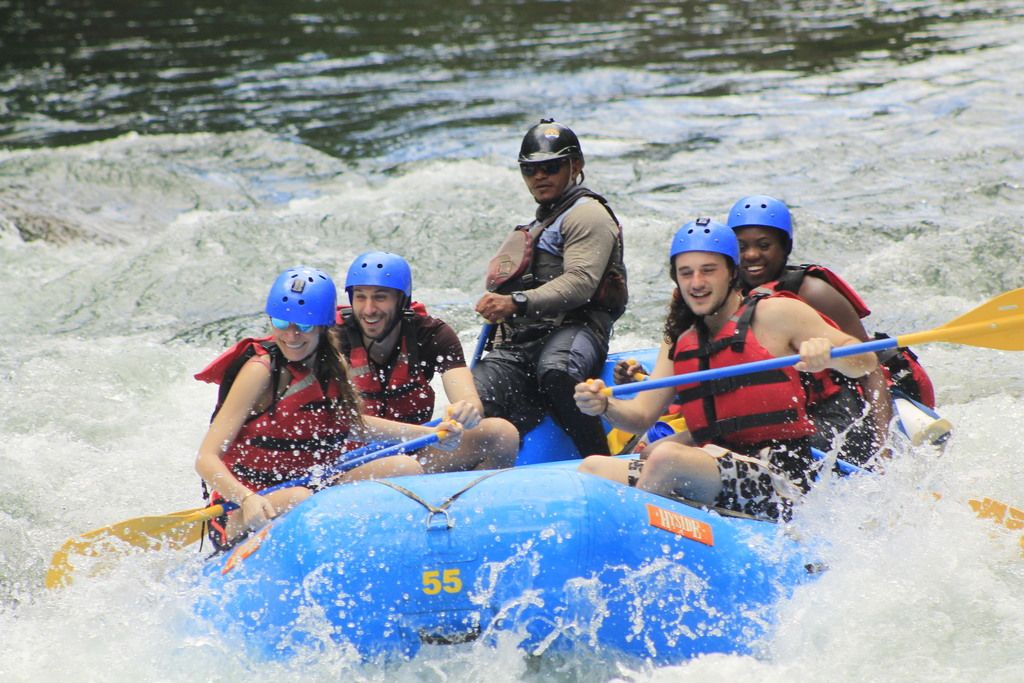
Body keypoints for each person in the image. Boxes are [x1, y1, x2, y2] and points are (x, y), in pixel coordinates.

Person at [575, 218, 878, 521]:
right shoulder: (682, 340)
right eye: (686, 273)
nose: (696, 283)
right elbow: (640, 415)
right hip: (711, 464)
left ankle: (637, 533)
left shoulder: (777, 313)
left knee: (666, 458)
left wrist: (828, 355)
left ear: (732, 272)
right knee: (594, 468)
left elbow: (865, 361)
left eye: (708, 270)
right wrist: (604, 405)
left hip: (780, 478)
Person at [195, 266, 463, 551]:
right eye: (281, 322)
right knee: (295, 498)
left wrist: (428, 433)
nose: (291, 335)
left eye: (305, 326)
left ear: (324, 326)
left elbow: (354, 426)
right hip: (247, 502)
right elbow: (206, 458)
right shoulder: (260, 371)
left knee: (404, 467)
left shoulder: (333, 365)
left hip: (313, 483)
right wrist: (246, 499)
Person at [726, 195, 945, 449]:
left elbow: (871, 369)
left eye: (764, 245)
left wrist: (882, 449)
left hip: (843, 400)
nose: (752, 255)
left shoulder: (814, 292)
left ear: (785, 247)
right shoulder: (724, 295)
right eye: (742, 247)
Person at [473, 119, 628, 457]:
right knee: (477, 388)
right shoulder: (539, 223)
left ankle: (599, 459)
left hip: (580, 328)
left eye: (551, 166)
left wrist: (515, 302)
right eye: (530, 170)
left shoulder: (588, 215)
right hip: (526, 339)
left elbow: (581, 283)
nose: (539, 176)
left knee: (556, 370)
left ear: (576, 166)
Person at [334, 251, 519, 472]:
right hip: (349, 462)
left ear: (402, 300)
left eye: (380, 297)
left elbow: (468, 399)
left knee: (500, 433)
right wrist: (426, 434)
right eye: (360, 297)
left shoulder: (431, 335)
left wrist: (467, 411)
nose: (369, 309)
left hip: (415, 449)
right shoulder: (335, 340)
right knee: (404, 467)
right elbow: (344, 422)